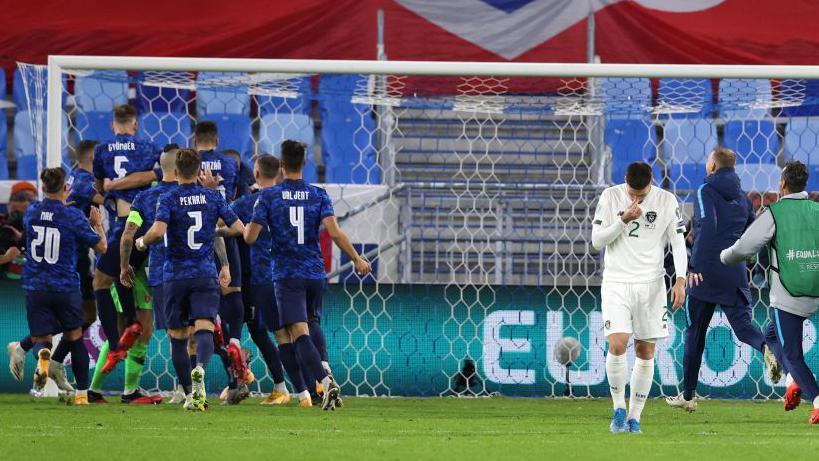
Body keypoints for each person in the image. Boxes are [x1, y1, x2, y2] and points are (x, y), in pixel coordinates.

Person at [245, 140, 371, 410]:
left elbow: (250, 236)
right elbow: (334, 233)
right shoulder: (319, 195)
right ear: (305, 163)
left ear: (281, 165)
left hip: (287, 274)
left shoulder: (268, 197)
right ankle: (323, 367)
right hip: (315, 272)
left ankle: (325, 383)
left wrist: (250, 229)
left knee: (296, 331)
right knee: (312, 323)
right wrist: (357, 259)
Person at [667, 148, 780, 411]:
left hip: (704, 272)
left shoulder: (705, 191)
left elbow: (708, 225)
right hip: (734, 268)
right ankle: (766, 347)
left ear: (713, 166)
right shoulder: (742, 197)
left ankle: (688, 395)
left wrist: (693, 263)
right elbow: (751, 230)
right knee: (743, 327)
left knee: (695, 333)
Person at [135, 148, 244, 411]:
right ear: (198, 171)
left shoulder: (168, 197)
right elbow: (239, 229)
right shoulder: (211, 197)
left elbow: (158, 231)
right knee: (205, 327)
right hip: (204, 273)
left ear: (173, 171)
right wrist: (213, 230)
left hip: (174, 275)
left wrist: (141, 241)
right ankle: (201, 370)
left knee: (178, 336)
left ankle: (188, 393)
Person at [591, 161, 687, 434]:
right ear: (625, 181)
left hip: (652, 285)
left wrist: (680, 279)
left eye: (642, 195)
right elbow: (597, 241)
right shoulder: (610, 196)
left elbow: (678, 242)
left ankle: (635, 418)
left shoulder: (667, 201)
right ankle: (618, 408)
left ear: (651, 183)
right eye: (633, 193)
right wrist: (622, 220)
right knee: (618, 343)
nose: (636, 199)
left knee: (645, 351)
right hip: (617, 282)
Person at [720, 161, 819, 425]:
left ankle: (816, 399)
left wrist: (724, 256)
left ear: (782, 185)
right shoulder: (817, 209)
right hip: (816, 288)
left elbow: (745, 247)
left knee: (793, 355)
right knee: (770, 335)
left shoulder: (775, 212)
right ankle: (791, 381)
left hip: (787, 295)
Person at [22, 168, 107, 405]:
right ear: (66, 188)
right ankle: (81, 395)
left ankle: (42, 356)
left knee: (42, 336)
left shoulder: (31, 212)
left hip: (35, 284)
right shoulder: (72, 216)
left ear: (43, 187)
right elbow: (102, 247)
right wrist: (97, 224)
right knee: (75, 336)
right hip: (65, 286)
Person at [92, 104, 161, 373]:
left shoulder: (101, 151)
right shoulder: (147, 148)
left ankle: (115, 344)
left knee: (100, 281)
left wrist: (111, 187)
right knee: (124, 272)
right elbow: (158, 174)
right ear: (135, 125)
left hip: (128, 224)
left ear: (113, 125)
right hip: (146, 225)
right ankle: (131, 321)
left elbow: (99, 186)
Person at [228, 154, 290, 405]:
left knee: (256, 331)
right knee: (257, 331)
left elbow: (223, 221)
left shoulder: (247, 202)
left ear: (255, 174)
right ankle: (240, 380)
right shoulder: (285, 202)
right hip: (280, 273)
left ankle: (281, 386)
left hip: (252, 276)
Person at [192, 122, 249, 382]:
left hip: (198, 242)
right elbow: (237, 195)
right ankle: (235, 342)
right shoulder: (229, 163)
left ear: (195, 141)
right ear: (216, 139)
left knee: (201, 312)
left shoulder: (189, 162)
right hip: (227, 230)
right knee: (232, 291)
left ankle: (219, 359)